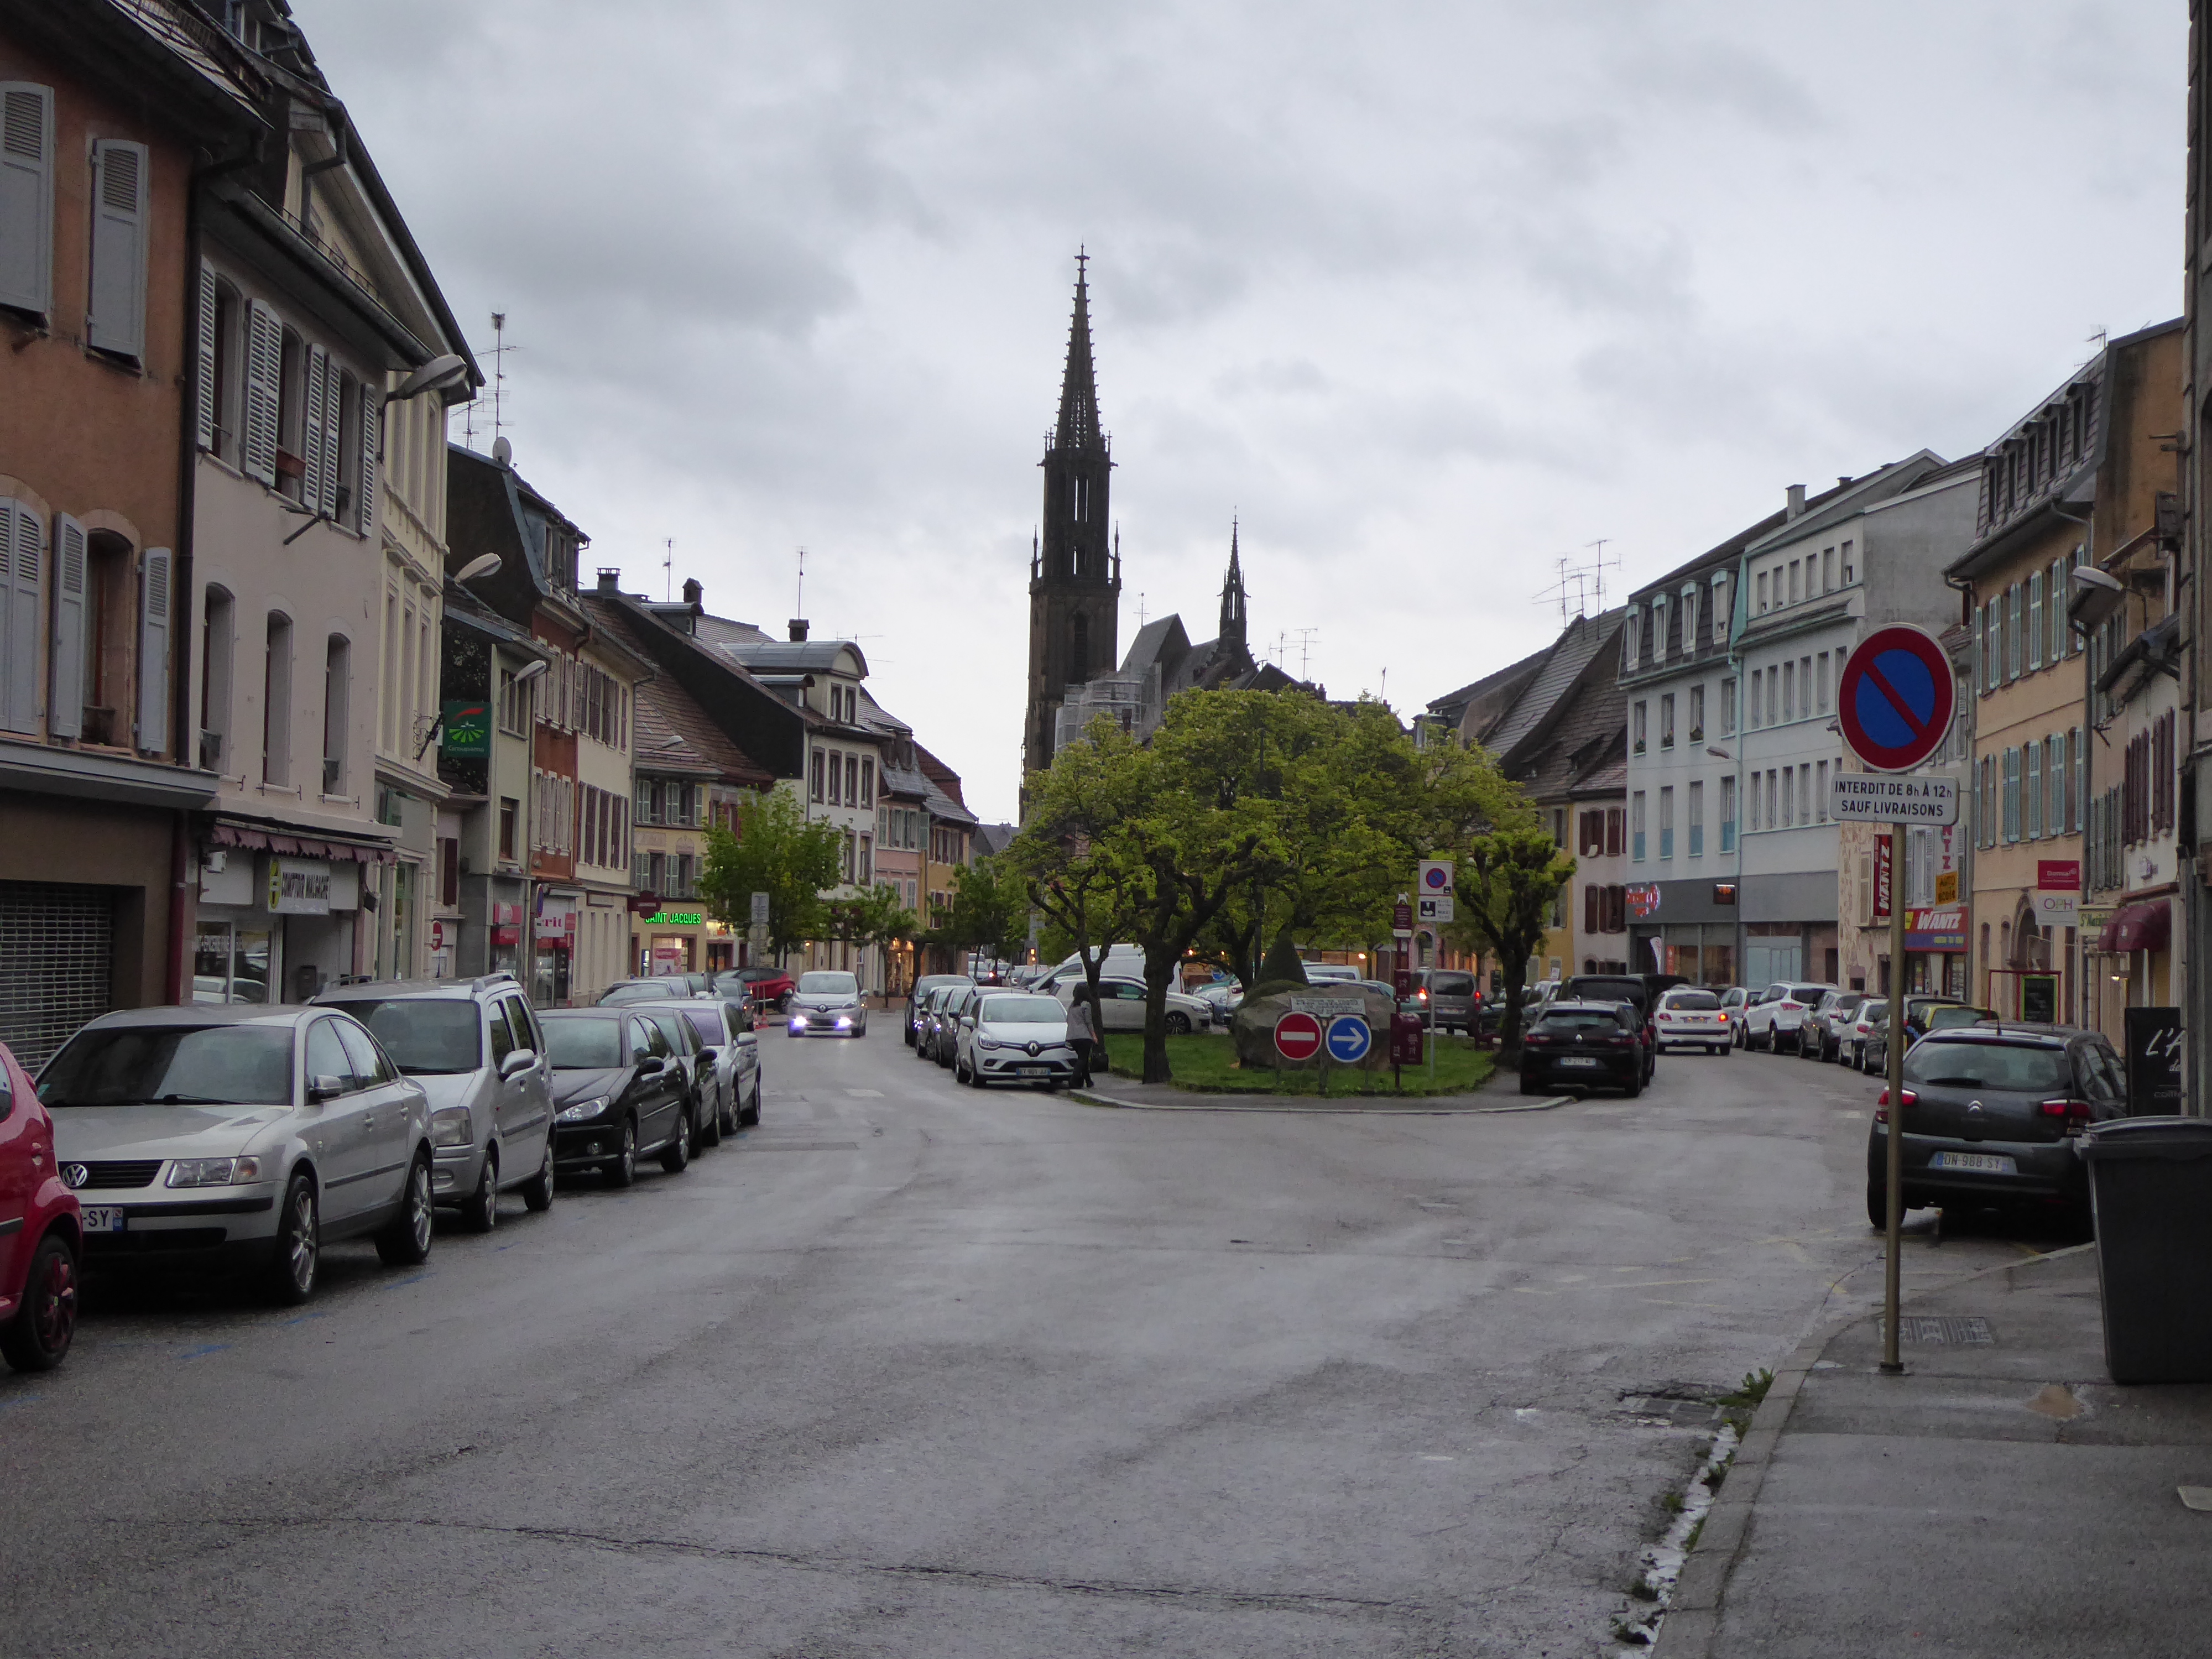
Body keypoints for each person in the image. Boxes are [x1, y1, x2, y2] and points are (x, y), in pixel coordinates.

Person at [1065, 987, 1095, 1087]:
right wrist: (1094, 1036)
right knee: (1083, 1059)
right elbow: (1088, 1022)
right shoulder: (1086, 1005)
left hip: (1071, 1036)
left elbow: (1068, 1020)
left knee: (1083, 1060)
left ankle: (1088, 1081)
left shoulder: (1071, 1006)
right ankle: (1073, 1079)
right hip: (1084, 1036)